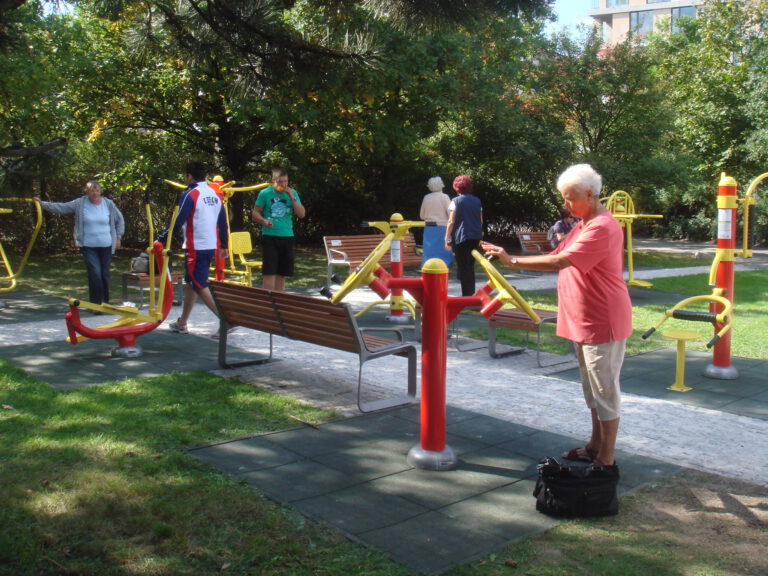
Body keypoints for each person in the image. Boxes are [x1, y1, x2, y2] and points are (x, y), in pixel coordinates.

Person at [481, 164, 631, 467]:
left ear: (589, 195)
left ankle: (606, 461)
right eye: (563, 198)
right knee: (592, 390)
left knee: (604, 391)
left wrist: (512, 261)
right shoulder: (583, 224)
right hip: (584, 319)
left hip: (602, 319)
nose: (565, 205)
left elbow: (561, 261)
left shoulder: (602, 226)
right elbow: (557, 252)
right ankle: (595, 445)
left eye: (569, 198)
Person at [35, 181, 125, 308]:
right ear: (87, 192)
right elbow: (62, 207)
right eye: (92, 191)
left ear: (100, 191)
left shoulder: (108, 204)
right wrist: (42, 204)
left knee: (104, 275)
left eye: (97, 190)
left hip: (106, 245)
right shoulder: (80, 203)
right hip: (88, 246)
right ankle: (96, 305)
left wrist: (119, 237)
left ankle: (105, 304)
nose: (95, 193)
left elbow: (119, 220)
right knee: (95, 274)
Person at [166, 161, 229, 335]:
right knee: (191, 283)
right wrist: (224, 244)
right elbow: (222, 222)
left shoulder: (190, 194)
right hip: (209, 245)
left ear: (189, 177)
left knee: (199, 284)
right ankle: (183, 322)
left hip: (196, 246)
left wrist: (164, 238)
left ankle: (225, 319)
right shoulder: (214, 194)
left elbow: (179, 220)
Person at [252, 167, 306, 291]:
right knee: (270, 271)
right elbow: (255, 213)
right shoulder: (265, 193)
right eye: (280, 182)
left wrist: (292, 197)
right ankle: (268, 301)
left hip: (287, 236)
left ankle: (278, 301)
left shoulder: (292, 193)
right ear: (273, 180)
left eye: (286, 181)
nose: (283, 184)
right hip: (270, 236)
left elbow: (302, 214)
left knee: (282, 273)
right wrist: (264, 221)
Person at [445, 175, 482, 296]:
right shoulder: (477, 201)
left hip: (461, 237)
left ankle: (467, 296)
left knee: (463, 266)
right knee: (470, 265)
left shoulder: (455, 201)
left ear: (457, 187)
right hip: (475, 236)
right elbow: (480, 220)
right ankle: (470, 293)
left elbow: (451, 221)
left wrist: (446, 238)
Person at [420, 176, 453, 266]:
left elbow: (422, 216)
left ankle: (428, 266)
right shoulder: (445, 197)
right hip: (443, 228)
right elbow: (451, 215)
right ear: (441, 185)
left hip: (429, 228)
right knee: (444, 250)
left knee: (429, 250)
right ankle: (445, 266)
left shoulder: (426, 197)